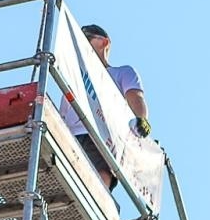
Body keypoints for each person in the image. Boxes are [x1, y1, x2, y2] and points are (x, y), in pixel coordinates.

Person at [65, 23, 152, 189]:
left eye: (86, 38)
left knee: (101, 174)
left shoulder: (121, 73)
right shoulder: (74, 74)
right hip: (71, 134)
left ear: (104, 42)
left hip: (102, 134)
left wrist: (141, 120)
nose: (81, 44)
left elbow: (135, 96)